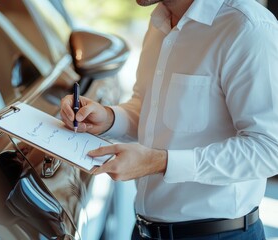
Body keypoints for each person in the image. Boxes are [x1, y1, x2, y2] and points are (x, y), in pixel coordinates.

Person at [60, 0, 278, 239]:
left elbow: (269, 148)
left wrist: (160, 162)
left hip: (219, 234)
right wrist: (110, 118)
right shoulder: (159, 23)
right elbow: (149, 107)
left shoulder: (248, 28)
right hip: (145, 230)